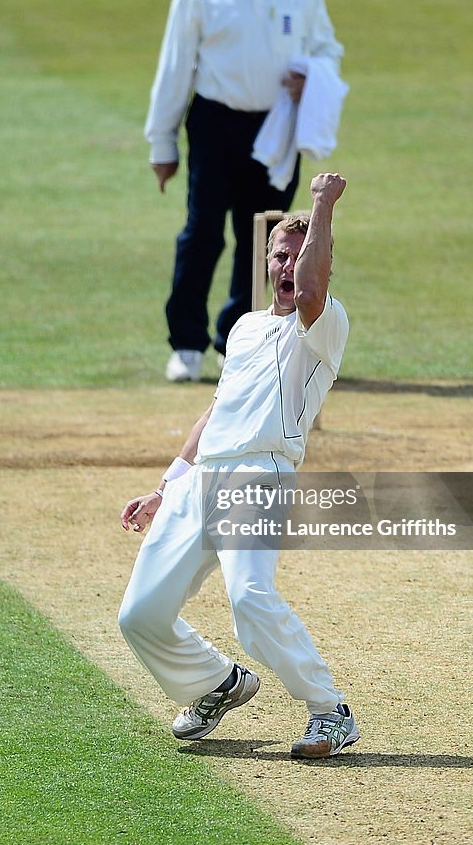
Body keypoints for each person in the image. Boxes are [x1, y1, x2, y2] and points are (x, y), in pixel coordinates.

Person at [118, 172, 359, 758]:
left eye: (300, 255)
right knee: (140, 614)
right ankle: (216, 683)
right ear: (267, 260)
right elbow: (215, 411)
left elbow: (309, 289)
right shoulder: (246, 328)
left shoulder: (324, 323)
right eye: (281, 254)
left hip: (261, 473)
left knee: (249, 598)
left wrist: (321, 205)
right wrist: (163, 488)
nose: (288, 265)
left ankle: (330, 711)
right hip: (202, 479)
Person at [145, 0, 344, 382]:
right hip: (214, 120)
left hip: (277, 121)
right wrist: (162, 142)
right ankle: (186, 343)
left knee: (266, 236)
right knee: (203, 231)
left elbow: (326, 47)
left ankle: (237, 340)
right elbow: (175, 66)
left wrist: (310, 76)